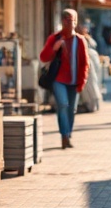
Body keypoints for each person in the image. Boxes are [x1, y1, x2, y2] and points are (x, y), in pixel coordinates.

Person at [38, 9, 89, 149]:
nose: (68, 23)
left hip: (74, 80)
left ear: (76, 22)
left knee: (71, 109)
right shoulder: (55, 38)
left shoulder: (80, 41)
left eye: (71, 20)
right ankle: (64, 135)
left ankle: (68, 133)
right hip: (58, 80)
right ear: (62, 21)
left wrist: (82, 82)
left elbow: (85, 63)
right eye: (66, 20)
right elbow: (43, 57)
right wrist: (54, 48)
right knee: (63, 105)